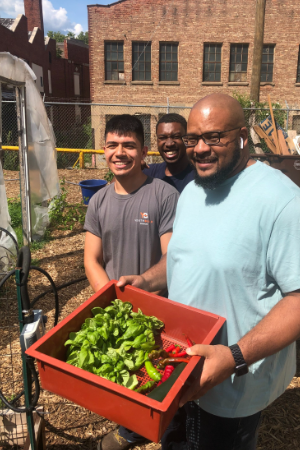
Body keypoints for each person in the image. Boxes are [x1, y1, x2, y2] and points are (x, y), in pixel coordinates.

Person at [117, 94, 300, 450]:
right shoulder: (192, 193)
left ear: (243, 136)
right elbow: (182, 258)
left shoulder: (281, 200)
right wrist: (145, 281)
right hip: (178, 365)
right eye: (193, 138)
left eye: (214, 137)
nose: (199, 149)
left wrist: (232, 357)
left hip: (232, 383)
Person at [84, 114, 179, 293]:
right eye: (112, 145)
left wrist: (143, 290)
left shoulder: (166, 196)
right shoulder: (98, 201)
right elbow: (92, 260)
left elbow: (172, 257)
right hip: (115, 308)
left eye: (129, 146)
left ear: (143, 152)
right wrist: (113, 300)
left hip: (155, 305)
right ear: (104, 150)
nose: (119, 153)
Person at [143, 113, 195, 193]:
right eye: (162, 138)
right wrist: (132, 169)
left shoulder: (199, 175)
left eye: (176, 137)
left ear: (187, 139)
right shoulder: (148, 173)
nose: (169, 144)